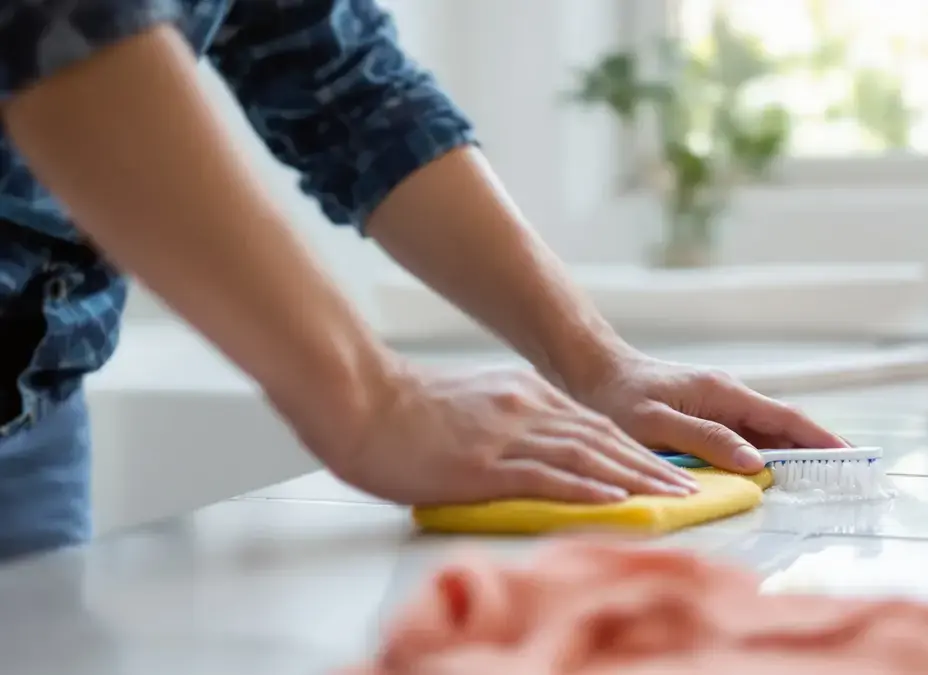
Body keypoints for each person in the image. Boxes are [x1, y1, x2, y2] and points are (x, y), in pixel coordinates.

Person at [0, 0, 847, 561]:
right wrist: (376, 402)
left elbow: (353, 97)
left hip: (38, 418)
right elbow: (65, 36)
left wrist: (597, 364)